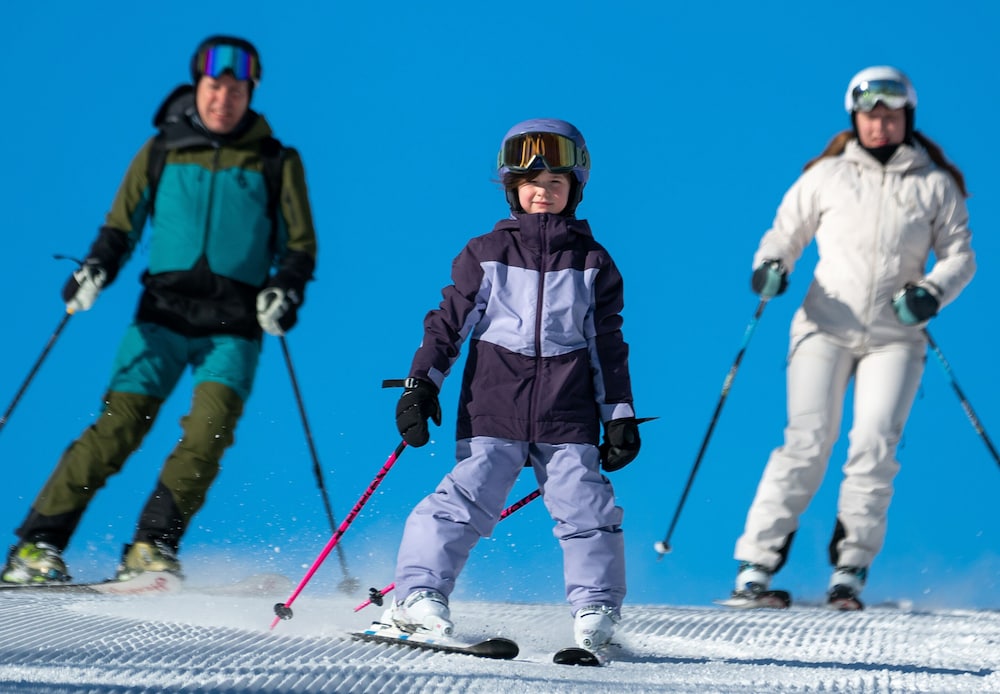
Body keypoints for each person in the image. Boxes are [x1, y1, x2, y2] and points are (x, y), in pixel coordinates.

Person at [2, 36, 317, 585]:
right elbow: (120, 226)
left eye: (237, 90)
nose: (224, 100)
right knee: (118, 427)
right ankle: (38, 546)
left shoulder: (275, 161)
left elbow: (300, 246)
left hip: (234, 326)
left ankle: (152, 547)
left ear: (251, 94)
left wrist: (285, 290)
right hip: (161, 317)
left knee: (209, 433)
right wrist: (95, 269)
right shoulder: (162, 150)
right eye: (215, 87)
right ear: (198, 86)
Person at [383, 119, 641, 653]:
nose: (543, 193)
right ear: (512, 189)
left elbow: (607, 347)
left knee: (587, 505)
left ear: (574, 190)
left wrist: (618, 417)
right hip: (494, 402)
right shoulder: (486, 253)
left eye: (555, 183)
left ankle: (596, 610)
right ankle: (418, 596)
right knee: (468, 495)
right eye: (531, 183)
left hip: (567, 410)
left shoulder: (593, 263)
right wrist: (421, 386)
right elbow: (447, 325)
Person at [730, 66, 975, 610]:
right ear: (855, 118)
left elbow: (960, 256)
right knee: (808, 439)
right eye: (870, 116)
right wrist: (771, 265)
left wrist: (930, 292)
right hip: (825, 326)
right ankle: (756, 566)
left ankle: (850, 570)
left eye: (890, 116)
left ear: (907, 118)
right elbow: (785, 232)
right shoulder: (828, 176)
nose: (879, 125)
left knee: (874, 443)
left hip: (896, 336)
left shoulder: (933, 184)